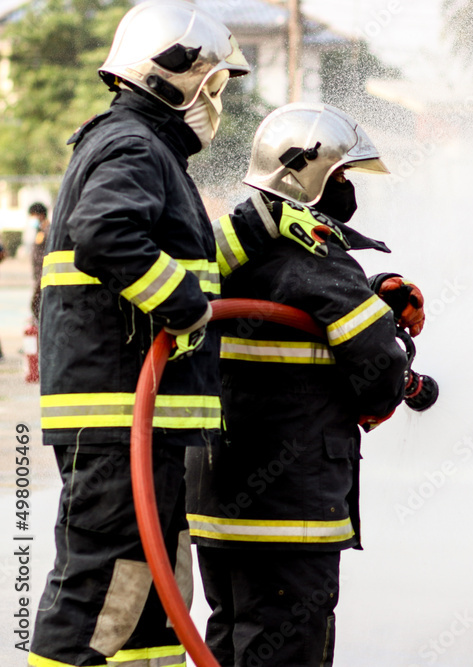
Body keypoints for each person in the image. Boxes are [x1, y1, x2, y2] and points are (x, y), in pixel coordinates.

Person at [30, 3, 333, 666]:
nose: (216, 102)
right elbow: (105, 234)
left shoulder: (144, 150)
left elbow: (187, 254)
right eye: (214, 85)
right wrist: (182, 306)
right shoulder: (135, 145)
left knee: (145, 596)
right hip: (119, 421)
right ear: (173, 75)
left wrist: (258, 224)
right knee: (99, 593)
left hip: (144, 426)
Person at [186, 103, 426, 666]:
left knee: (232, 638)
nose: (348, 190)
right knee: (288, 651)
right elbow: (379, 369)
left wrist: (371, 288)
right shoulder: (317, 259)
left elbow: (288, 302)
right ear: (309, 177)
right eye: (341, 176)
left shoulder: (225, 251)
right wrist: (387, 379)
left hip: (220, 505)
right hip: (289, 508)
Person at [28, 202, 48, 322]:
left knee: (37, 306)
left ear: (40, 215)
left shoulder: (48, 231)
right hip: (39, 277)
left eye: (33, 216)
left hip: (44, 276)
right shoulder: (40, 231)